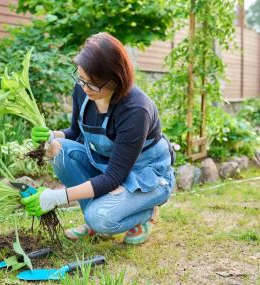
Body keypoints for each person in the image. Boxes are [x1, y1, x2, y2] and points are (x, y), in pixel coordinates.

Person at [21, 32, 175, 245]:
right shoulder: (84, 88)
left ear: (115, 79)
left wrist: (56, 197)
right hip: (108, 167)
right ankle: (93, 223)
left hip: (145, 176)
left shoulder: (136, 110)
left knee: (101, 218)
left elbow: (114, 177)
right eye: (81, 79)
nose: (84, 88)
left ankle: (145, 212)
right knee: (58, 149)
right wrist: (51, 134)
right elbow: (75, 132)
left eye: (92, 84)